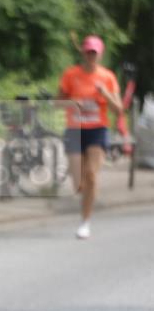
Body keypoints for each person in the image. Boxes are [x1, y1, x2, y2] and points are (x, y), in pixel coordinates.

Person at [57, 35, 122, 239]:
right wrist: (74, 103)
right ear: (83, 53)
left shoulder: (108, 77)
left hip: (97, 129)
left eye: (94, 52)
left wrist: (105, 94)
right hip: (75, 129)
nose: (91, 56)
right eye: (88, 52)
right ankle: (84, 191)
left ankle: (85, 222)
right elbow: (57, 102)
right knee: (79, 182)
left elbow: (119, 110)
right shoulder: (71, 75)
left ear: (100, 54)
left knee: (92, 175)